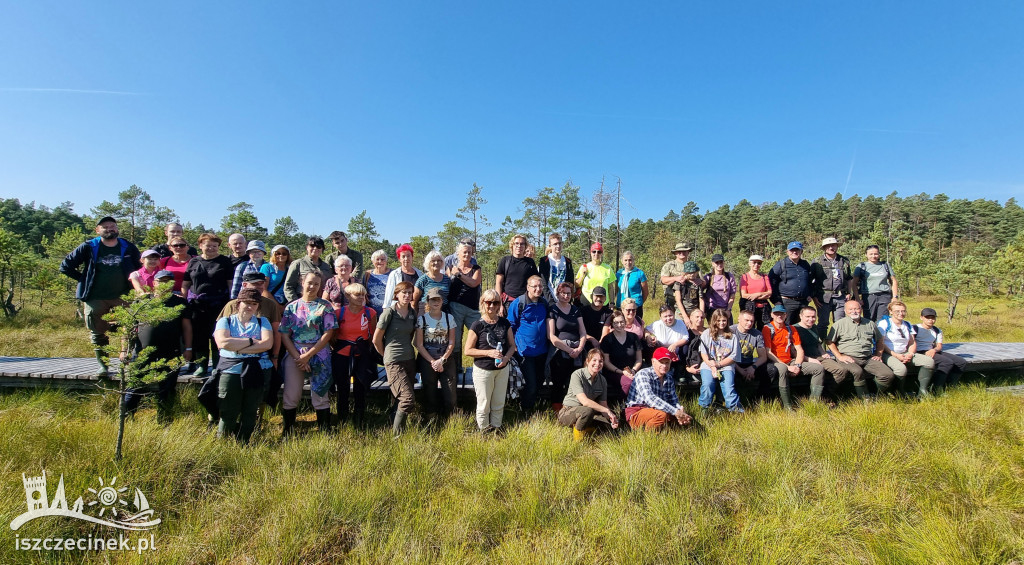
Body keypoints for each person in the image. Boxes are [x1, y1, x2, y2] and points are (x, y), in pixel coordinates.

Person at [59, 216, 142, 374]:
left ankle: (127, 361)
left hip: (125, 296)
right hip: (95, 296)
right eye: (105, 227)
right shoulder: (89, 246)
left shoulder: (127, 246)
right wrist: (84, 280)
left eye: (113, 226)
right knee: (97, 331)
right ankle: (103, 366)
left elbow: (140, 268)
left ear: (117, 229)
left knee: (131, 328)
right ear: (97, 230)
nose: (110, 229)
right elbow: (65, 266)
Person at [120, 270, 192, 423]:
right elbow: (127, 327)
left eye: (168, 281)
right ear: (154, 283)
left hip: (171, 352)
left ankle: (164, 420)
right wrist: (123, 350)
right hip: (142, 353)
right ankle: (125, 418)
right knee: (135, 385)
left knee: (167, 388)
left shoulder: (179, 302)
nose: (165, 285)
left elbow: (187, 327)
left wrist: (188, 348)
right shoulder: (142, 302)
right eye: (161, 281)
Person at [279, 271, 337, 434]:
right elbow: (284, 334)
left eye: (317, 284)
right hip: (295, 353)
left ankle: (325, 430)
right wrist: (299, 358)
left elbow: (328, 333)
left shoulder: (325, 306)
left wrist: (308, 355)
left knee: (320, 393)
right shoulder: (292, 307)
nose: (312, 286)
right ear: (302, 282)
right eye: (310, 282)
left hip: (319, 353)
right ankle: (288, 430)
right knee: (291, 393)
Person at [213, 287, 273, 443]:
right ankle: (223, 443)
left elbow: (267, 343)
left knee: (251, 410)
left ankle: (244, 443)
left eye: (254, 303)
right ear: (238, 303)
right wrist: (253, 341)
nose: (250, 306)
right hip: (230, 370)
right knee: (228, 410)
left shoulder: (263, 321)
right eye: (246, 302)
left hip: (256, 369)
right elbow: (223, 342)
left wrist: (237, 347)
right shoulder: (225, 321)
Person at [181, 233, 234, 378]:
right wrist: (184, 301)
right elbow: (185, 284)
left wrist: (231, 303)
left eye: (214, 246)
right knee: (199, 336)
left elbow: (231, 284)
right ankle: (202, 366)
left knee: (217, 336)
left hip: (219, 305)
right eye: (207, 245)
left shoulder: (224, 261)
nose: (211, 248)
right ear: (200, 246)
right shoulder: (193, 262)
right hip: (197, 305)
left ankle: (218, 366)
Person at [465, 289, 516, 433]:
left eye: (495, 302)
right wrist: (488, 353)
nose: (492, 306)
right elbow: (468, 350)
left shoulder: (505, 323)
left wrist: (506, 358)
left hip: (502, 369)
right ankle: (484, 430)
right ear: (482, 303)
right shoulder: (477, 325)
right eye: (488, 302)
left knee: (499, 401)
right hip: (483, 370)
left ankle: (496, 428)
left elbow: (512, 346)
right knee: (484, 403)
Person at [373, 280, 419, 437]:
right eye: (403, 292)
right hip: (393, 360)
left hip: (409, 359)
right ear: (396, 295)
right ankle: (397, 436)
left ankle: (394, 423)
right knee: (407, 399)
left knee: (399, 398)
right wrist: (386, 356)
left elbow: (411, 335)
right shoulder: (389, 313)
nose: (407, 295)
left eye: (409, 292)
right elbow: (376, 339)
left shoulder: (412, 313)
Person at [825, 301, 896, 400]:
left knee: (887, 374)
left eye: (856, 309)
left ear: (861, 310)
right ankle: (864, 398)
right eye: (850, 309)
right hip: (848, 357)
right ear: (845, 311)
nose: (854, 311)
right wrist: (839, 356)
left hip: (867, 357)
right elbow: (829, 341)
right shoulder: (839, 324)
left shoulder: (870, 323)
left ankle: (876, 395)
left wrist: (878, 354)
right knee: (857, 371)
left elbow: (880, 340)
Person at [330, 283, 378, 429]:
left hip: (362, 353)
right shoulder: (339, 313)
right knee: (342, 387)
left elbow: (373, 335)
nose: (361, 298)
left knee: (361, 386)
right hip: (342, 353)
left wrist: (365, 350)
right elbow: (332, 336)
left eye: (363, 295)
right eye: (357, 295)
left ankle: (359, 419)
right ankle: (343, 419)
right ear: (347, 296)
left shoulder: (370, 313)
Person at [762, 304, 824, 409]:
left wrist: (797, 365)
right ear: (772, 315)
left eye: (782, 314)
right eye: (776, 314)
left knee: (818, 368)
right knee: (782, 369)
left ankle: (814, 402)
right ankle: (788, 406)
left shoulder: (791, 329)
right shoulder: (768, 329)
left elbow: (799, 349)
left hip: (791, 360)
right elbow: (768, 352)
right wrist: (787, 367)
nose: (779, 316)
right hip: (775, 361)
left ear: (786, 315)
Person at [414, 288, 457, 425]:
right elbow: (419, 344)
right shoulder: (422, 319)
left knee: (450, 393)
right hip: (428, 360)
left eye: (438, 299)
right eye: (433, 299)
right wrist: (433, 361)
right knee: (429, 391)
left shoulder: (449, 318)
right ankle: (431, 419)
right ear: (428, 301)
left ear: (442, 301)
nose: (436, 302)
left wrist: (442, 360)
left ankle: (450, 420)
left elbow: (452, 342)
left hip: (446, 358)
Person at [623, 347, 694, 430]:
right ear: (653, 361)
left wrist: (680, 412)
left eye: (667, 362)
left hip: (657, 410)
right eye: (661, 362)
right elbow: (650, 399)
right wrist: (675, 412)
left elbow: (673, 400)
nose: (664, 365)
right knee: (662, 415)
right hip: (637, 410)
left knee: (686, 418)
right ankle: (648, 438)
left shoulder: (669, 378)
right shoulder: (643, 374)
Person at [507, 276, 548, 418]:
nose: (538, 289)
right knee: (530, 384)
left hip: (542, 350)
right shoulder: (519, 303)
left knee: (539, 380)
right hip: (524, 351)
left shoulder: (544, 303)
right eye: (534, 286)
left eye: (540, 286)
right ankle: (526, 412)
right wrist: (514, 347)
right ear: (527, 287)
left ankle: (533, 405)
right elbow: (510, 326)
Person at [877, 300, 935, 398]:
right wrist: (896, 355)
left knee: (929, 362)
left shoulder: (907, 324)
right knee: (901, 369)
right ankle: (898, 391)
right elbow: (881, 342)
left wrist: (910, 354)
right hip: (888, 353)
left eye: (903, 311)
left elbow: (912, 342)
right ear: (890, 311)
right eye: (897, 311)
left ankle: (922, 391)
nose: (901, 313)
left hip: (905, 352)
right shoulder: (884, 323)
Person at [558, 349, 619, 440]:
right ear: (587, 361)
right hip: (568, 412)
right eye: (594, 360)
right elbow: (585, 402)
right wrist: (607, 411)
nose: (597, 364)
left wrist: (612, 418)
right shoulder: (577, 374)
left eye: (600, 361)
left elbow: (603, 405)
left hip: (588, 414)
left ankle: (588, 431)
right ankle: (578, 440)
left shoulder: (602, 380)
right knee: (587, 411)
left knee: (611, 423)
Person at [794, 306, 850, 403]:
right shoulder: (794, 329)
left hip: (818, 356)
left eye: (813, 317)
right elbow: (793, 352)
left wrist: (823, 352)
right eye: (807, 316)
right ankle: (814, 400)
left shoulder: (814, 327)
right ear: (801, 316)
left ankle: (825, 394)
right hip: (804, 359)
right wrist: (808, 359)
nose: (811, 319)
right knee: (818, 370)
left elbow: (818, 343)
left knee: (841, 370)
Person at [547, 282, 588, 410]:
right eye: (563, 293)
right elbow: (552, 337)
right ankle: (557, 410)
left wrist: (579, 349)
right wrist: (570, 350)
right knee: (558, 382)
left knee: (576, 382)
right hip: (559, 351)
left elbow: (583, 332)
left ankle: (574, 408)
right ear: (558, 294)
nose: (566, 296)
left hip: (577, 351)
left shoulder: (576, 310)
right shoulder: (552, 310)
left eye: (568, 293)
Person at [446, 241, 481, 377]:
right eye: (464, 252)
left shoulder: (476, 268)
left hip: (473, 309)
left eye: (469, 252)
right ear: (458, 253)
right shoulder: (450, 267)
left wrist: (459, 275)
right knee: (456, 339)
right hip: (455, 306)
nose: (467, 254)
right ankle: (455, 369)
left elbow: (474, 283)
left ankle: (480, 366)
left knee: (479, 336)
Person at [914, 307, 967, 395]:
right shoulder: (915, 328)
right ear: (921, 317)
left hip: (932, 350)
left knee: (961, 362)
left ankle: (950, 385)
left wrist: (933, 350)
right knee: (946, 362)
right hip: (919, 351)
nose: (930, 320)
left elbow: (939, 346)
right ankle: (937, 387)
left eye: (933, 318)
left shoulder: (937, 330)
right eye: (928, 318)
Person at [698, 308, 742, 413]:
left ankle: (734, 409)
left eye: (724, 320)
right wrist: (712, 365)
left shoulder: (732, 336)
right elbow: (703, 353)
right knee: (708, 384)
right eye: (718, 321)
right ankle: (705, 407)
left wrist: (718, 364)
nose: (721, 323)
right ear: (714, 321)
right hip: (708, 364)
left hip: (726, 365)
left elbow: (734, 356)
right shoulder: (706, 334)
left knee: (728, 387)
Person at [811, 237, 854, 338]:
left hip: (840, 297)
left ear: (837, 246)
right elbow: (811, 280)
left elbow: (849, 278)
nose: (831, 247)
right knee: (823, 323)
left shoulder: (844, 261)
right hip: (823, 298)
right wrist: (814, 296)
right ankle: (822, 348)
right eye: (828, 246)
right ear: (824, 248)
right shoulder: (817, 261)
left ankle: (839, 348)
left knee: (840, 323)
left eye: (833, 245)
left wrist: (849, 292)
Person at [769, 241, 819, 325]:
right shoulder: (781, 264)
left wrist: (810, 294)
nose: (794, 252)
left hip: (803, 302)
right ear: (787, 252)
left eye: (797, 250)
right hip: (786, 302)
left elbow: (810, 281)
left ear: (801, 251)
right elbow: (771, 282)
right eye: (792, 250)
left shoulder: (805, 264)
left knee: (803, 326)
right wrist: (775, 300)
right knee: (786, 326)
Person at [600, 309, 643, 405]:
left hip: (632, 370)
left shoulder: (633, 337)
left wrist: (633, 370)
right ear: (612, 324)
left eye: (621, 322)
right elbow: (606, 362)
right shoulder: (608, 339)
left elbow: (639, 359)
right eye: (616, 323)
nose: (619, 325)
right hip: (614, 371)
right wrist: (622, 372)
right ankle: (622, 406)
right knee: (628, 383)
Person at [730, 310, 770, 402]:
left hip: (749, 362)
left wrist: (753, 367)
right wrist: (740, 370)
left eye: (752, 321)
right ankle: (736, 401)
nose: (749, 323)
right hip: (733, 363)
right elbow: (726, 356)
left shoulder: (757, 334)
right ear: (739, 319)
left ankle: (760, 399)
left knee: (770, 370)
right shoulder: (731, 331)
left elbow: (763, 356)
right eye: (746, 320)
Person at [853, 245, 900, 322]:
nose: (873, 256)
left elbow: (893, 281)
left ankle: (881, 334)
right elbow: (854, 283)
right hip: (869, 297)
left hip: (884, 296)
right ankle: (871, 334)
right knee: (869, 320)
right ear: (866, 255)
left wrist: (894, 297)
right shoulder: (861, 267)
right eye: (871, 254)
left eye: (876, 254)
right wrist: (858, 299)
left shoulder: (885, 265)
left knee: (883, 320)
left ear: (879, 254)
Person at [494, 233, 538, 311]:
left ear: (525, 246)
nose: (519, 246)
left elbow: (536, 283)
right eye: (516, 243)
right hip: (508, 302)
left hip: (526, 302)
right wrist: (499, 304)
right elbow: (498, 283)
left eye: (522, 244)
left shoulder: (530, 262)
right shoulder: (505, 261)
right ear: (512, 245)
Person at [660, 242, 704, 317]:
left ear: (688, 252)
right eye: (679, 251)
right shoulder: (669, 265)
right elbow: (663, 280)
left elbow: (703, 283)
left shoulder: (693, 265)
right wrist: (676, 278)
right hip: (672, 300)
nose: (681, 253)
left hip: (691, 302)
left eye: (684, 251)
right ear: (675, 253)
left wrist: (700, 281)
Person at [284, 237, 333, 303]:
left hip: (321, 304)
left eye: (318, 246)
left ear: (322, 249)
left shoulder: (326, 266)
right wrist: (296, 303)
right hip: (301, 301)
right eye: (312, 246)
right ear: (307, 247)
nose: (315, 248)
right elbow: (288, 287)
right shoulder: (298, 263)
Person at [538, 233, 574, 305]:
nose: (558, 246)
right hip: (548, 300)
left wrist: (568, 300)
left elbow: (570, 283)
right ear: (550, 246)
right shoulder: (544, 261)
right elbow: (543, 283)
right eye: (555, 244)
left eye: (559, 243)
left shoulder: (567, 261)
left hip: (564, 301)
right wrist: (551, 302)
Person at [576, 242, 616, 307]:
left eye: (599, 252)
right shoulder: (584, 267)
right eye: (594, 251)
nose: (596, 254)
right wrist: (582, 275)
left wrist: (612, 303)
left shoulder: (608, 268)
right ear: (590, 253)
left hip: (603, 302)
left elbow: (611, 288)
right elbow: (577, 285)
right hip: (586, 302)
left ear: (602, 253)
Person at [382, 244, 422, 310]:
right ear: (399, 259)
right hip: (399, 310)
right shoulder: (394, 274)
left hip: (417, 310)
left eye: (408, 256)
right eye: (403, 256)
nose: (406, 259)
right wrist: (386, 310)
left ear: (412, 257)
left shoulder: (420, 274)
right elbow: (389, 295)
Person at [739, 254, 772, 330]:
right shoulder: (745, 277)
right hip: (749, 307)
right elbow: (744, 295)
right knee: (749, 327)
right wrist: (764, 295)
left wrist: (757, 294)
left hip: (763, 308)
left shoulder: (765, 277)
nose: (756, 265)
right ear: (750, 263)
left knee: (764, 328)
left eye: (759, 263)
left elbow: (769, 293)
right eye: (754, 262)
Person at [703, 254, 737, 323]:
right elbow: (700, 291)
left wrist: (728, 310)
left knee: (728, 331)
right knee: (714, 331)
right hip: (712, 310)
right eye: (717, 262)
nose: (719, 264)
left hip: (725, 309)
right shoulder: (708, 277)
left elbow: (732, 295)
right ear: (713, 264)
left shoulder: (729, 276)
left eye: (721, 262)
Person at [614, 251, 648, 318]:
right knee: (621, 327)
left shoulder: (639, 273)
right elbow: (616, 290)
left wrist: (638, 303)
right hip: (621, 306)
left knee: (636, 327)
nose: (628, 262)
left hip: (635, 307)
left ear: (633, 261)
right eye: (625, 260)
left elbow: (645, 292)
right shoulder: (618, 274)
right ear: (622, 261)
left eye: (630, 260)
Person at [363, 249, 392, 315]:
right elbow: (363, 292)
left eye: (382, 259)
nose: (380, 261)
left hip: (389, 312)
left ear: (386, 261)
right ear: (373, 261)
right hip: (370, 312)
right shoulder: (367, 274)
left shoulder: (393, 273)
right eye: (377, 259)